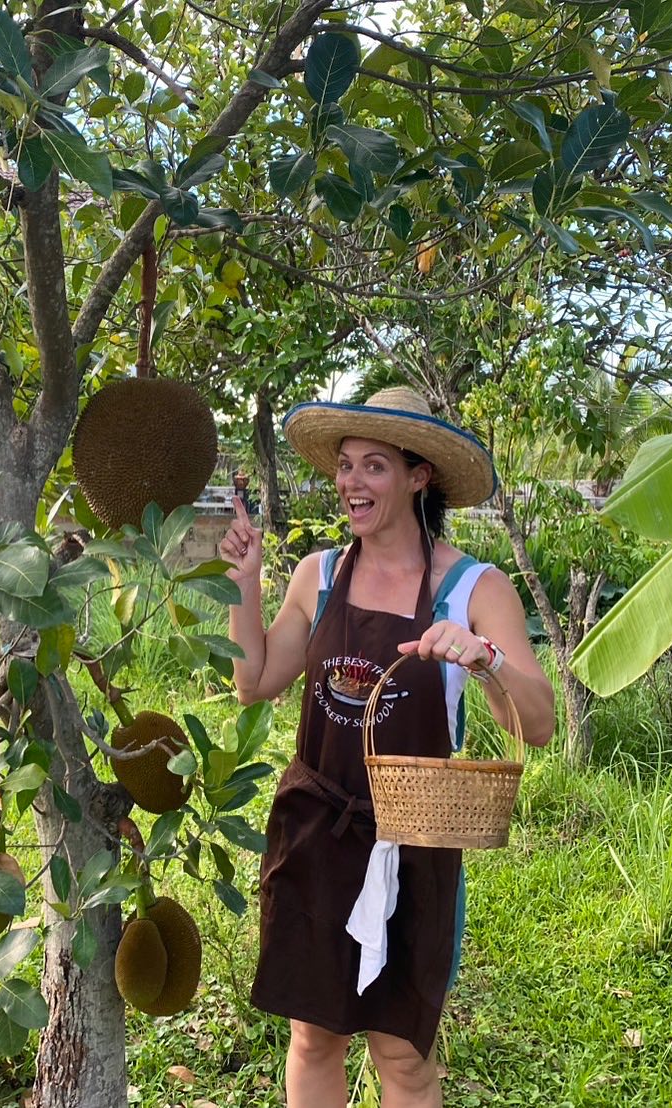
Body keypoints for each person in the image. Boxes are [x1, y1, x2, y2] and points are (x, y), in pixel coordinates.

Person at [220, 387, 555, 1108]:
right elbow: (253, 682)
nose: (352, 481)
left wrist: (485, 658)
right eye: (345, 465)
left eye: (374, 466)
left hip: (415, 845)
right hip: (316, 834)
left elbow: (538, 723)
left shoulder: (474, 588)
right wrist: (243, 587)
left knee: (402, 1057)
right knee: (314, 1038)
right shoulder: (319, 575)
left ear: (418, 476)